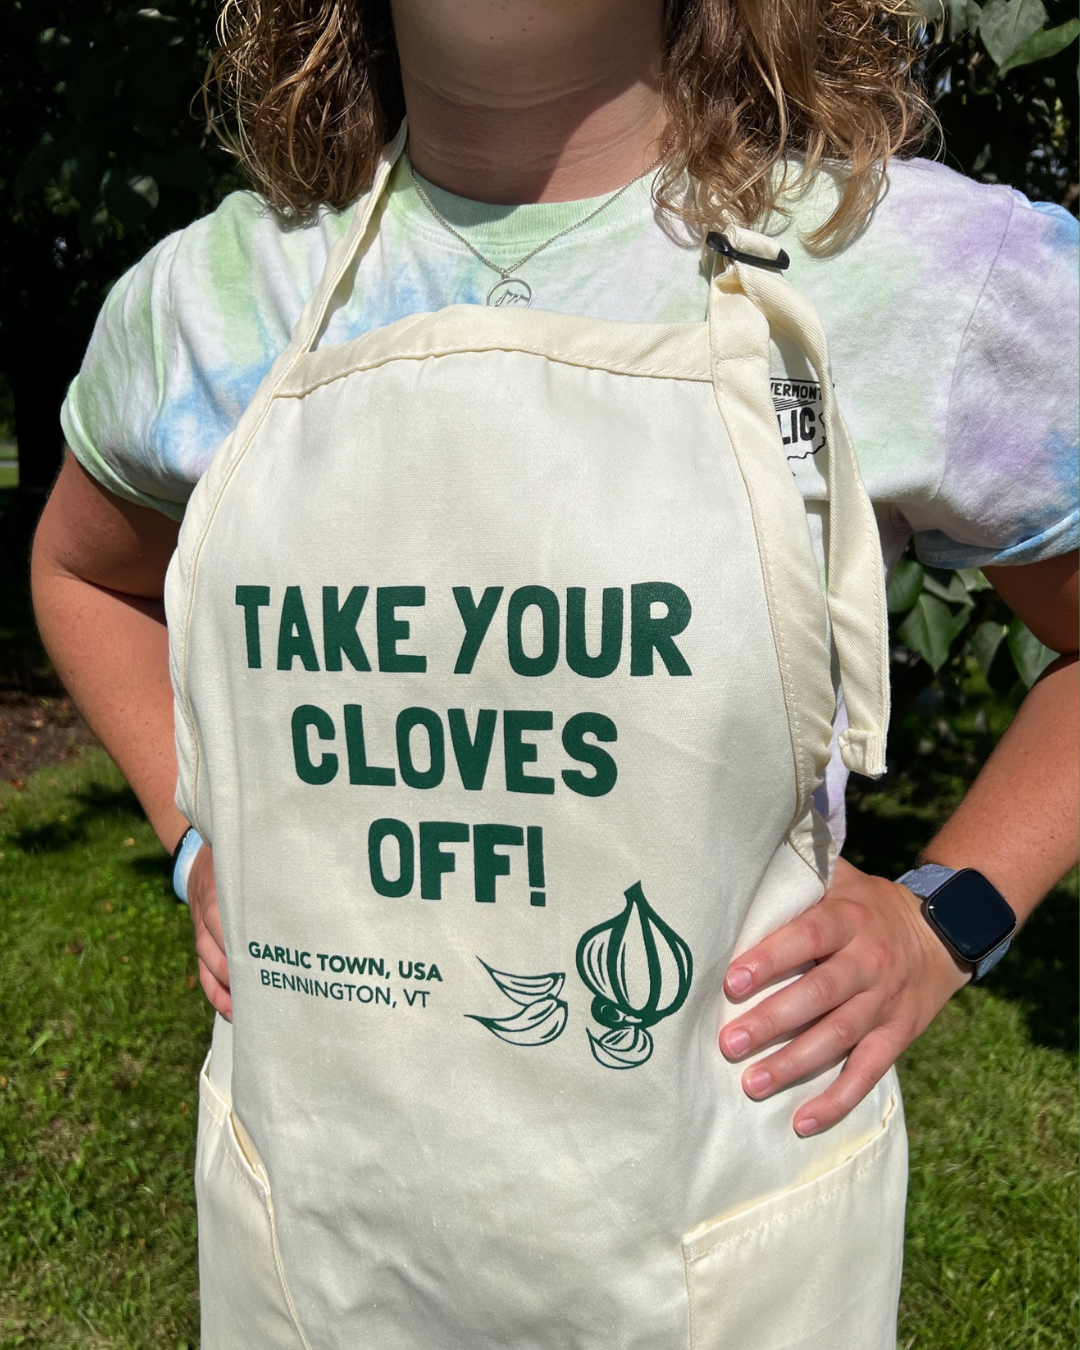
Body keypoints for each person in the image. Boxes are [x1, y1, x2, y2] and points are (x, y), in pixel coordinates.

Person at [31, 1, 1078, 1346]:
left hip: (721, 1274)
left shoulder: (901, 274)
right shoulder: (211, 305)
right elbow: (82, 572)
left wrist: (950, 914)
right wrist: (198, 845)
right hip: (314, 1256)